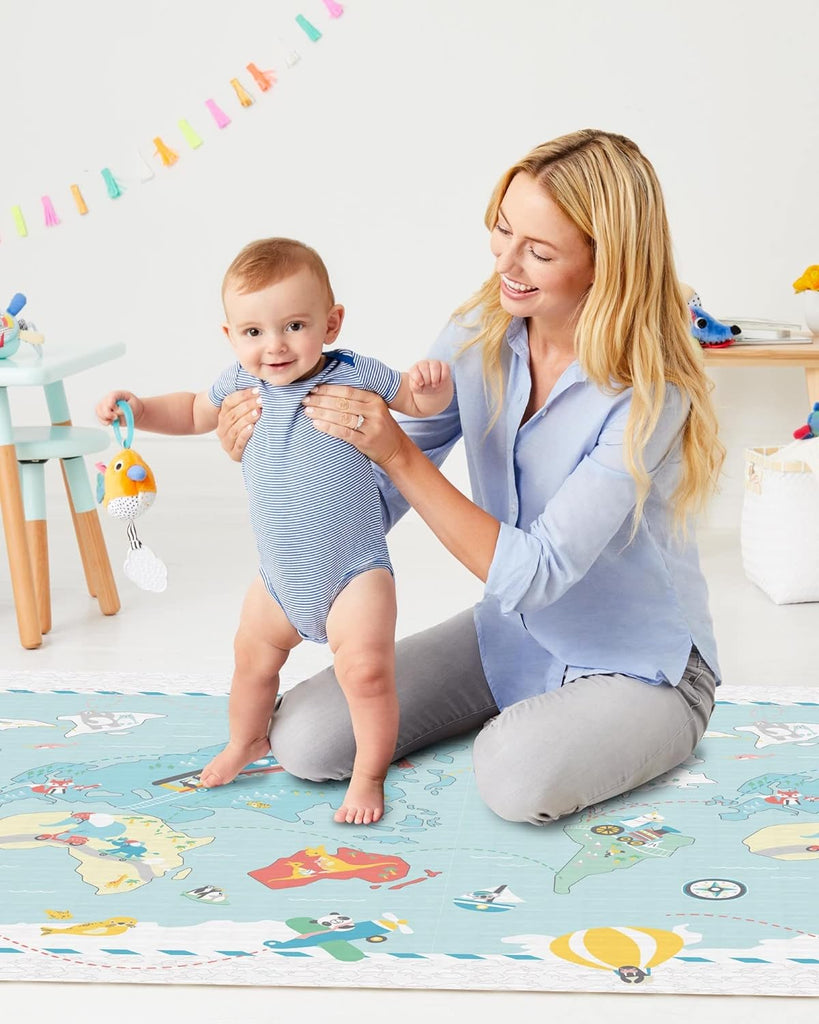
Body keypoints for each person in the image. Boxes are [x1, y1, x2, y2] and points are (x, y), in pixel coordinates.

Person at [214, 130, 725, 826]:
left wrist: (396, 451)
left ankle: (630, 729)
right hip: (510, 634)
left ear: (605, 262)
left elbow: (536, 569)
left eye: (538, 252)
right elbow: (376, 494)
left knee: (514, 777)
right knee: (306, 739)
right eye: (501, 231)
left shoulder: (650, 394)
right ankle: (543, 717)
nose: (506, 264)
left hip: (640, 665)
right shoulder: (479, 331)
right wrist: (273, 447)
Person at [96, 238, 453, 825]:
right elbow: (189, 412)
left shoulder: (355, 372)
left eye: (293, 325)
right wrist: (139, 406)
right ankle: (246, 740)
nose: (275, 346)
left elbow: (416, 400)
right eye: (254, 332)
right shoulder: (239, 385)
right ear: (231, 336)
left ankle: (367, 776)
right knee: (251, 660)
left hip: (353, 572)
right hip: (278, 579)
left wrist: (433, 387)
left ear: (331, 323)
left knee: (365, 671)